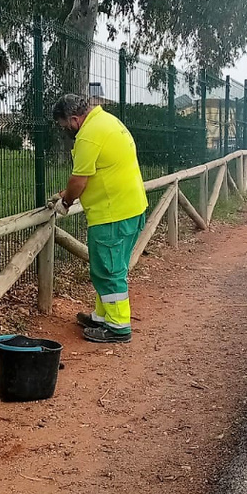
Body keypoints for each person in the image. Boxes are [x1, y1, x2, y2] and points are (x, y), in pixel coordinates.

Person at [50, 93, 148, 344]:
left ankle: (118, 327)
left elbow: (79, 180)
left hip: (112, 214)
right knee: (108, 268)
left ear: (74, 119)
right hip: (130, 208)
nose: (65, 131)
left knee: (108, 270)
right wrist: (64, 194)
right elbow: (99, 171)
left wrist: (66, 201)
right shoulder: (107, 121)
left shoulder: (88, 136)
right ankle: (103, 316)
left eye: (64, 125)